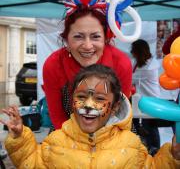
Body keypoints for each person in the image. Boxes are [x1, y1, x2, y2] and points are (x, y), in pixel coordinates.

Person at [0, 64, 180, 168]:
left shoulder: (131, 144)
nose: (88, 105)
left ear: (115, 107)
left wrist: (173, 156)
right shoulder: (55, 141)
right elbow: (30, 163)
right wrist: (20, 138)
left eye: (100, 98)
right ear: (72, 101)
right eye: (81, 97)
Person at [43, 0, 132, 130]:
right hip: (67, 133)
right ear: (66, 40)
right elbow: (57, 117)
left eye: (95, 37)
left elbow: (121, 115)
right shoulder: (53, 65)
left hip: (112, 134)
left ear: (106, 39)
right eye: (78, 37)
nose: (88, 46)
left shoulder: (121, 64)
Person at [130, 39, 162, 154]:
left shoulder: (149, 68)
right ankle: (148, 148)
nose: (131, 52)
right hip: (143, 100)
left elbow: (131, 78)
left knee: (150, 127)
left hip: (152, 101)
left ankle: (155, 150)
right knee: (143, 125)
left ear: (138, 51)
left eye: (133, 50)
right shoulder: (139, 63)